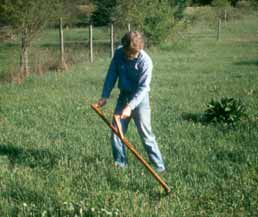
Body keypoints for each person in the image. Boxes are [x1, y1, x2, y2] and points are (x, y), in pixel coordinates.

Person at [95, 31, 165, 172]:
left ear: (139, 48)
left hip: (140, 101)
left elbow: (144, 88)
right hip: (123, 97)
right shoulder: (119, 53)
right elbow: (111, 74)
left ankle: (159, 167)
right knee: (116, 132)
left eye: (131, 53)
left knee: (146, 135)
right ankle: (121, 165)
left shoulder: (146, 62)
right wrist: (105, 95)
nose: (127, 55)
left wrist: (130, 106)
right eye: (126, 52)